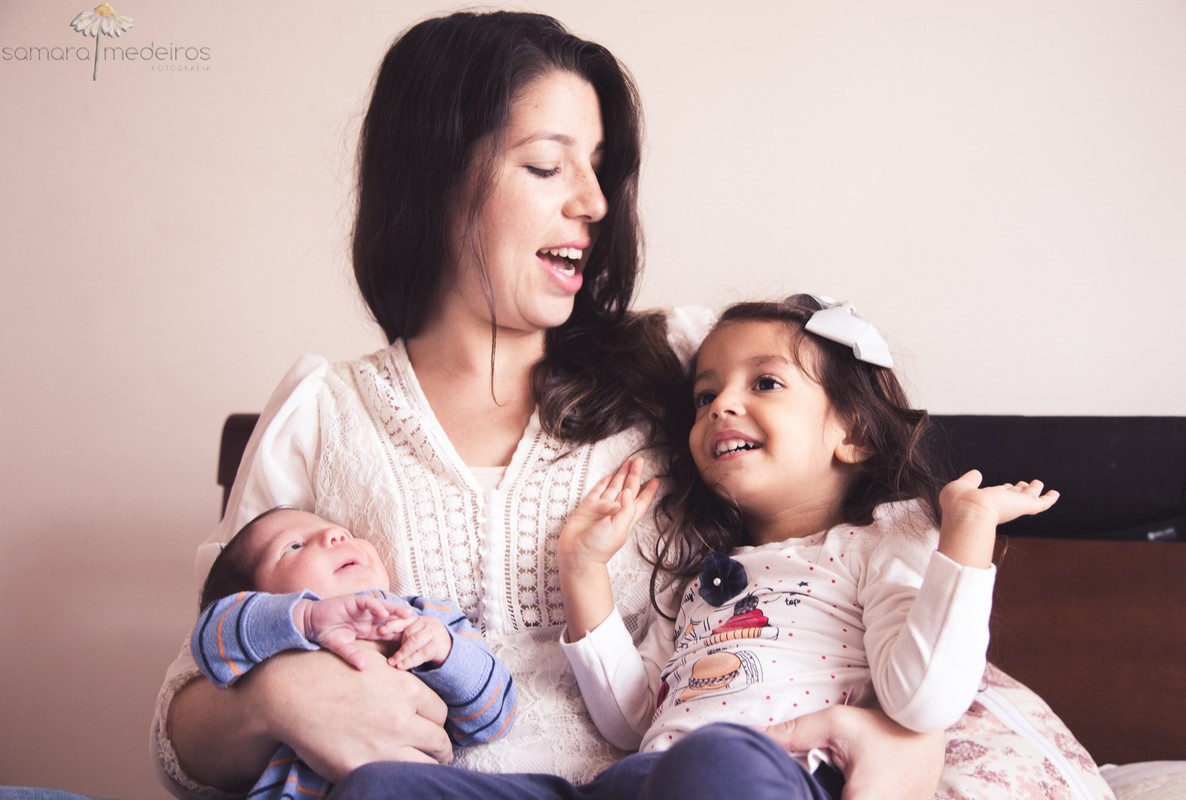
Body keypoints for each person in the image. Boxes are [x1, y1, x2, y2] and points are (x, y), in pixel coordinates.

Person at [151, 10, 952, 800]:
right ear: (434, 178)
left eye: (598, 166)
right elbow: (182, 726)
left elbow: (867, 536)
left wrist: (911, 733)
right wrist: (279, 700)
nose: (594, 203)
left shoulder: (687, 366)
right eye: (546, 167)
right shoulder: (321, 416)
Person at [553, 294, 1062, 798]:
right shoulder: (697, 571)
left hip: (780, 775)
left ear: (855, 433)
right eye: (705, 396)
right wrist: (583, 567)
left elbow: (924, 702)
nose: (721, 406)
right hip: (649, 781)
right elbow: (631, 719)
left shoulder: (883, 539)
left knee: (712, 762)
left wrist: (968, 530)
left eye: (766, 383)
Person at [190, 506, 516, 800]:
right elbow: (209, 637)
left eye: (340, 530)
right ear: (259, 600)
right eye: (294, 546)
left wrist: (445, 651)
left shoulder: (426, 617)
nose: (335, 534)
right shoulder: (278, 635)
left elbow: (495, 715)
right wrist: (305, 618)